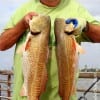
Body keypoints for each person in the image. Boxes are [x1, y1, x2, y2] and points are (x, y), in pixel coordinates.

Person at [0, 0, 100, 100]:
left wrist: (86, 25)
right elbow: (2, 44)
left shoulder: (77, 9)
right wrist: (22, 25)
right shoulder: (24, 9)